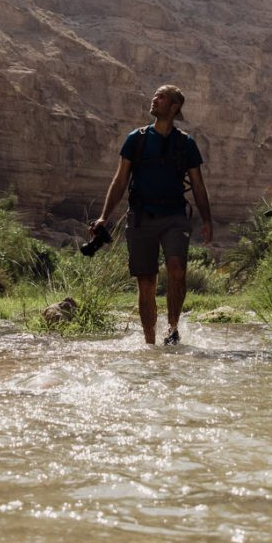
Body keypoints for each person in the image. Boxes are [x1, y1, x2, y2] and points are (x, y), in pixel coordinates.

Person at [90, 83, 213, 346]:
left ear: (174, 106)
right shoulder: (136, 139)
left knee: (177, 269)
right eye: (155, 96)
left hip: (175, 216)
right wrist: (104, 216)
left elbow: (199, 186)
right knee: (146, 282)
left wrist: (207, 220)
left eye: (161, 97)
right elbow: (120, 180)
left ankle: (172, 329)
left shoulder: (186, 144)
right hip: (141, 217)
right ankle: (149, 343)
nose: (154, 100)